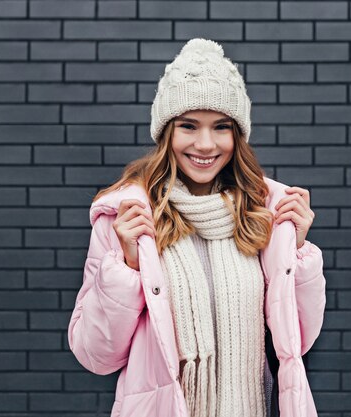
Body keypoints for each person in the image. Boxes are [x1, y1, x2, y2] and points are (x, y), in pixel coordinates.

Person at [67, 38, 326, 417]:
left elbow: (297, 343)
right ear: (166, 132)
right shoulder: (128, 219)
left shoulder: (264, 215)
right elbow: (96, 354)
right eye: (189, 126)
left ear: (236, 136)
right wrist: (126, 267)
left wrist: (297, 252)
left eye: (221, 127)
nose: (205, 144)